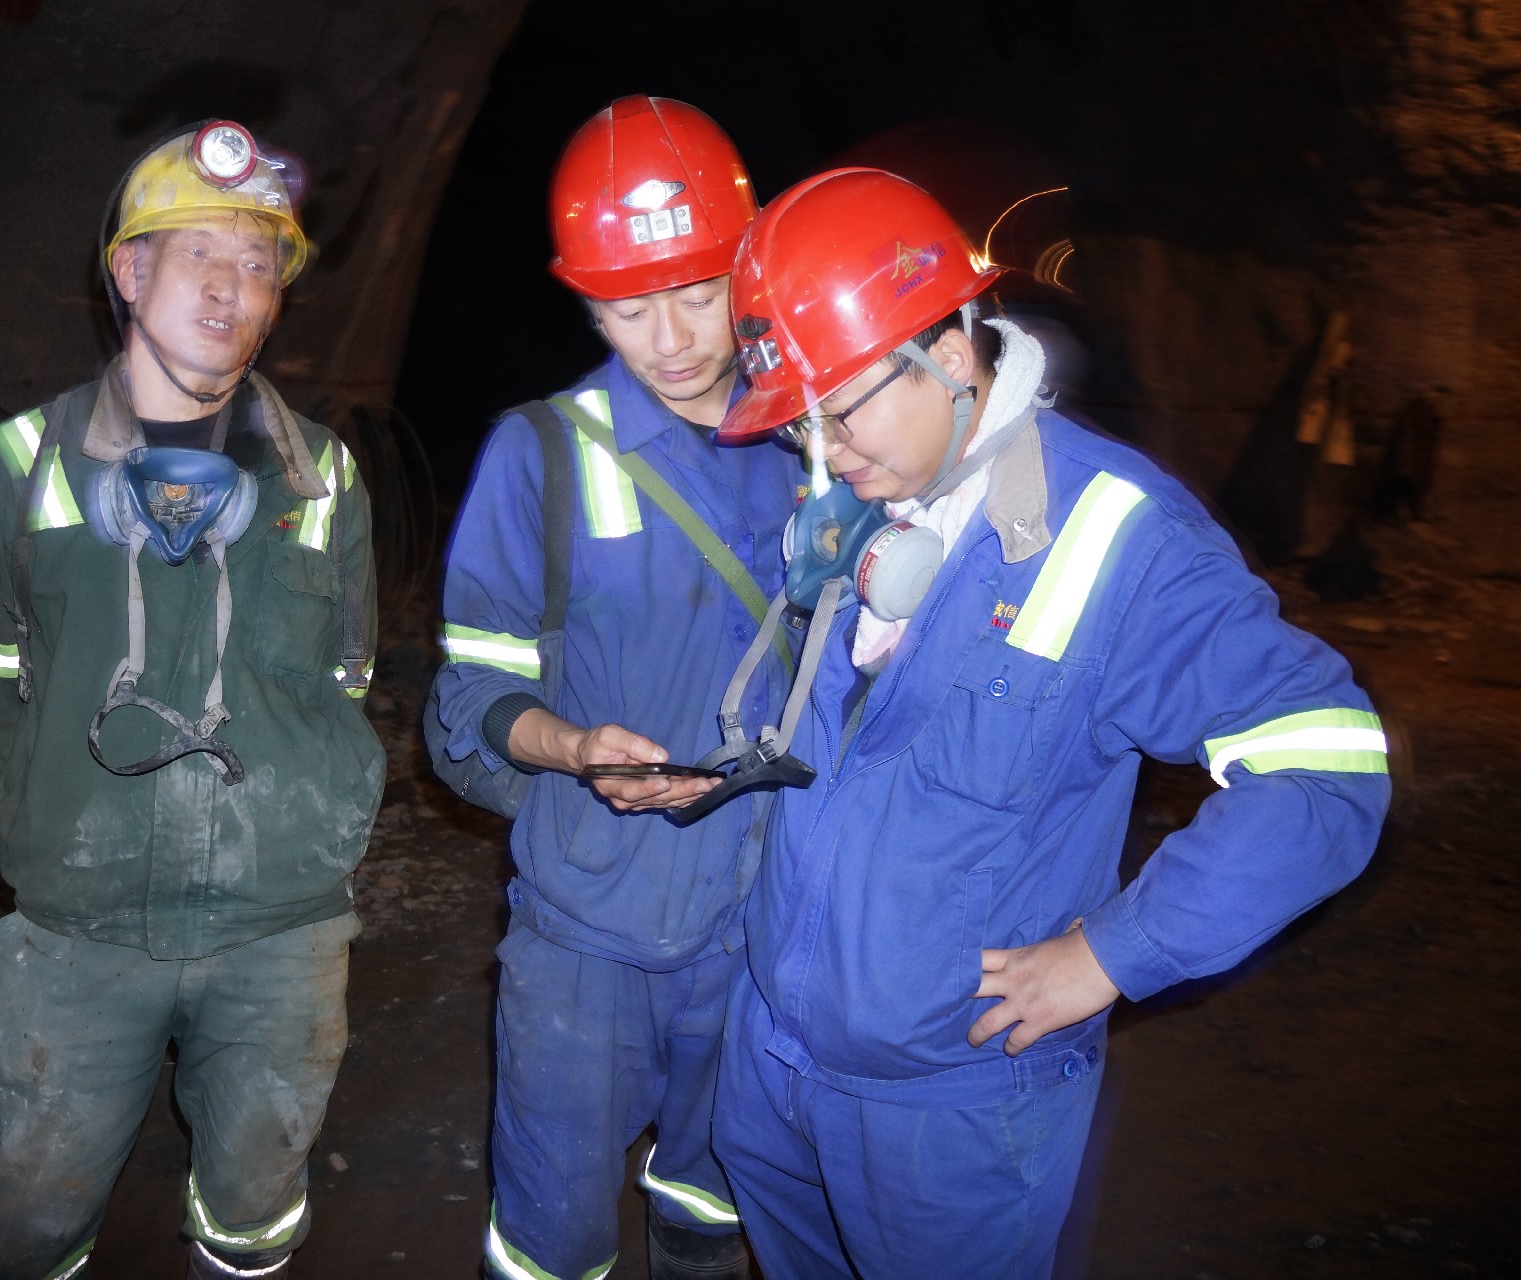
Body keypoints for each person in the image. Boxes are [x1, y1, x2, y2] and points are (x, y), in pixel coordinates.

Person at [707, 168, 1391, 1279]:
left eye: (842, 407)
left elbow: (1330, 766)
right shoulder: (855, 496)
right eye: (802, 424)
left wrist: (1115, 952)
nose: (827, 451)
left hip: (950, 1117)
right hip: (773, 1064)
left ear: (950, 349)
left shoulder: (1121, 535)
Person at [0, 120, 383, 1280]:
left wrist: (291, 821)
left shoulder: (322, 476)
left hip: (282, 928)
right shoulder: (20, 464)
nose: (233, 288)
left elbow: (347, 673)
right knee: (29, 1214)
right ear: (131, 273)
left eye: (258, 263)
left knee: (255, 1203)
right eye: (201, 255)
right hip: (80, 933)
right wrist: (71, 807)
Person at [428, 97, 796, 1280]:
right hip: (589, 932)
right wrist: (574, 745)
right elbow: (468, 699)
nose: (672, 338)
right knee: (552, 1237)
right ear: (587, 304)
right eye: (629, 309)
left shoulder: (821, 440)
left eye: (697, 294)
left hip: (770, 922)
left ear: (746, 270)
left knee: (713, 1204)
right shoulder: (539, 453)